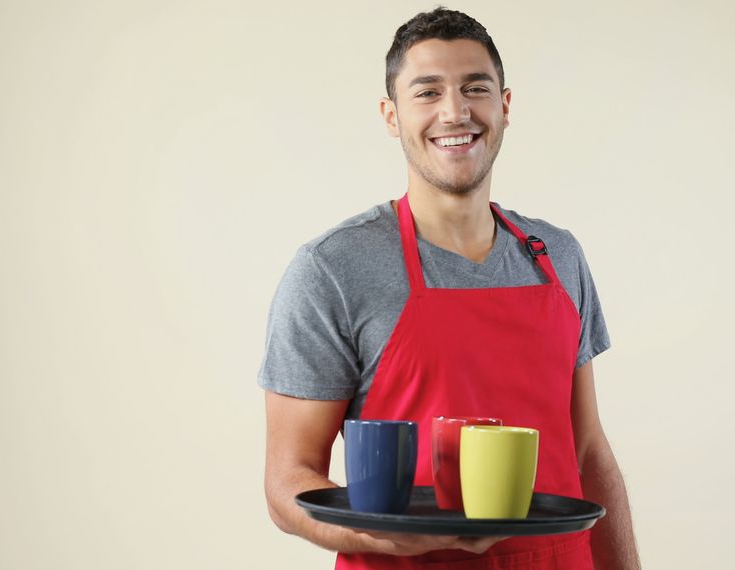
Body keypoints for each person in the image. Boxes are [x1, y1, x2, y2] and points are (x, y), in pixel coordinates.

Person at [259, 7, 640, 569]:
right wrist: (384, 539)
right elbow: (286, 481)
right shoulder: (332, 269)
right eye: (427, 92)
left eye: (475, 88)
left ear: (504, 107)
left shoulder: (558, 256)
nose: (455, 111)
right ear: (391, 115)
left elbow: (587, 451)